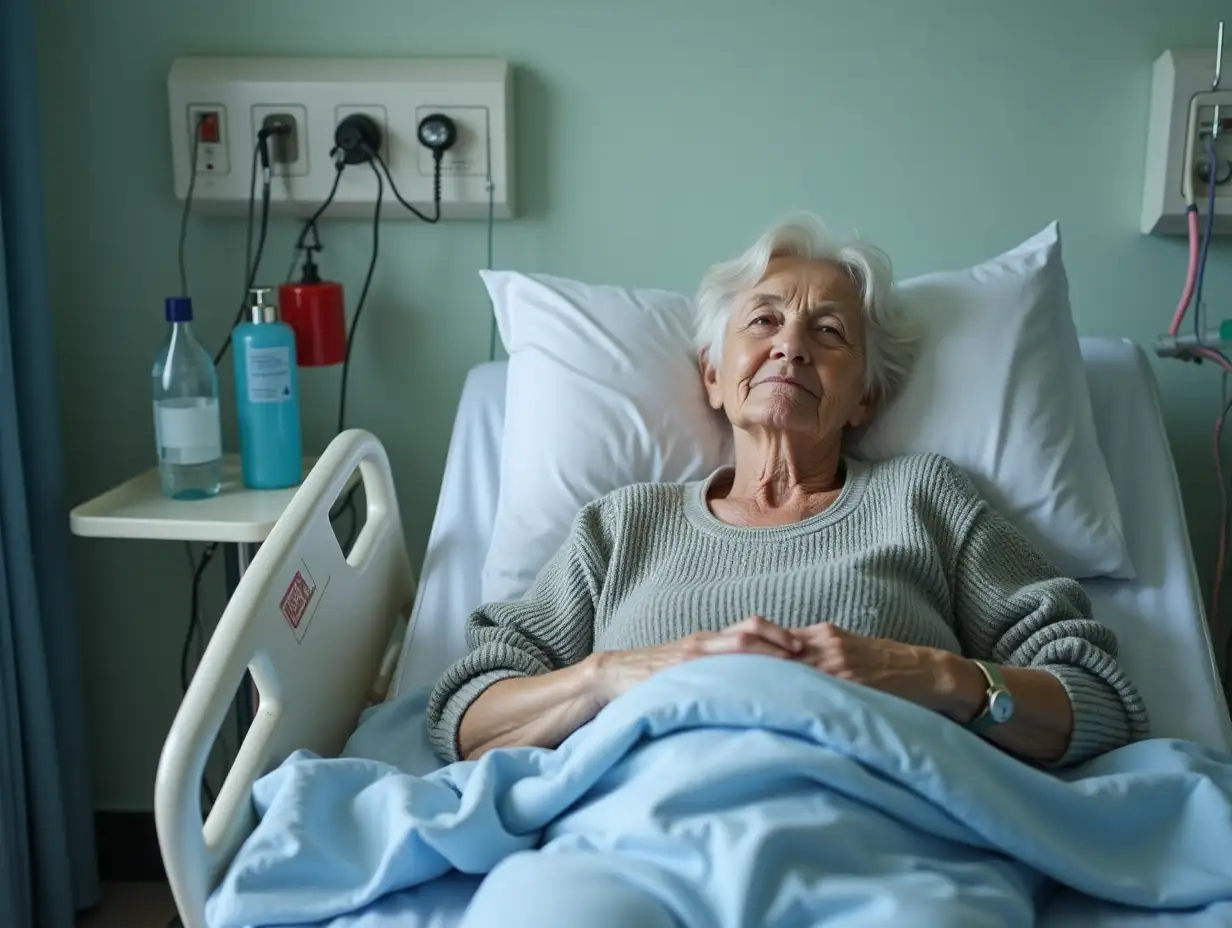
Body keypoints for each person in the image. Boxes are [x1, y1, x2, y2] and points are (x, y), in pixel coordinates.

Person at [427, 213, 1148, 776]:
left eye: (829, 331)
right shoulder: (621, 526)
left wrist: (931, 674)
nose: (792, 345)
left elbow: (1100, 700)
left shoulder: (926, 501)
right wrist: (611, 676)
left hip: (887, 830)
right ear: (713, 373)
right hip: (639, 827)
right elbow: (466, 713)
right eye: (764, 319)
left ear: (865, 399)